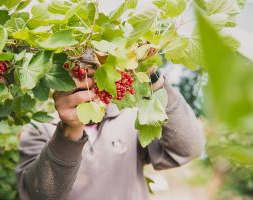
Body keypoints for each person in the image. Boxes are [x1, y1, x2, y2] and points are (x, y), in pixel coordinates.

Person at [16, 66, 205, 200]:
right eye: (77, 67)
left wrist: (154, 80)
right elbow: (41, 195)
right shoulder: (40, 127)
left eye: (94, 66)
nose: (86, 74)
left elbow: (188, 148)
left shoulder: (131, 118)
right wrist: (70, 130)